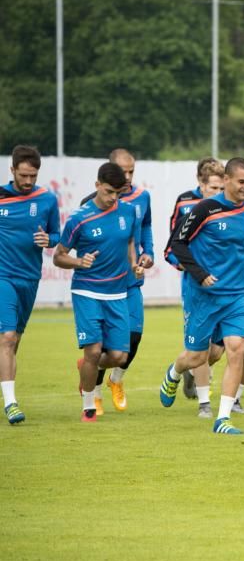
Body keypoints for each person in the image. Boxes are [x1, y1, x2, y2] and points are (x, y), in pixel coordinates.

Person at [159, 157, 244, 435]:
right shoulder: (204, 209)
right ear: (227, 180)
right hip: (203, 295)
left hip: (237, 295)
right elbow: (175, 245)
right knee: (196, 357)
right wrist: (199, 272)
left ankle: (223, 418)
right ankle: (174, 372)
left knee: (237, 349)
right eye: (241, 182)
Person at [54, 162, 142, 422]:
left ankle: (87, 369)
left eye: (117, 192)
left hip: (117, 294)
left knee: (118, 356)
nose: (113, 198)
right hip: (87, 292)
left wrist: (134, 263)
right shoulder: (79, 218)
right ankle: (89, 407)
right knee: (93, 350)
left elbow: (128, 241)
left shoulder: (128, 212)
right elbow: (59, 257)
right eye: (108, 192)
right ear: (96, 186)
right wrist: (79, 262)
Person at [0, 146, 61, 425]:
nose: (27, 181)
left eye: (33, 176)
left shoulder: (47, 199)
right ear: (11, 170)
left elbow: (57, 233)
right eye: (23, 175)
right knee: (7, 337)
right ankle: (11, 403)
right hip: (3, 277)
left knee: (14, 343)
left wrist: (49, 240)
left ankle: (5, 388)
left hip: (30, 278)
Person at [165, 158, 225, 403]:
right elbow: (173, 245)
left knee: (217, 351)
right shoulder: (185, 203)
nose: (219, 193)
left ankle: (190, 368)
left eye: (222, 188)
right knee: (199, 347)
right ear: (201, 183)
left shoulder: (229, 205)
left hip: (226, 284)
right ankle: (204, 402)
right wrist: (189, 267)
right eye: (214, 188)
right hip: (195, 285)